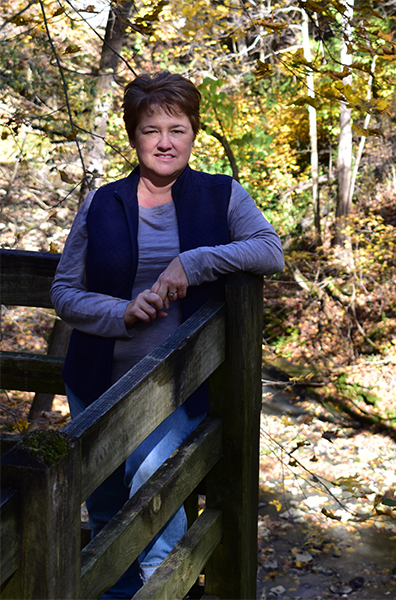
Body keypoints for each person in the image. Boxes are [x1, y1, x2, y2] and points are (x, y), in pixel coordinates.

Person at [51, 71, 285, 598]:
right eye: (150, 129)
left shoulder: (221, 194)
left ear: (193, 133)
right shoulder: (102, 203)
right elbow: (64, 293)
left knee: (153, 488)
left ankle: (168, 589)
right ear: (133, 137)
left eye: (176, 129)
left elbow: (269, 250)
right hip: (98, 377)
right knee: (106, 506)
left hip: (174, 382)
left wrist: (194, 262)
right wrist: (123, 311)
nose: (164, 142)